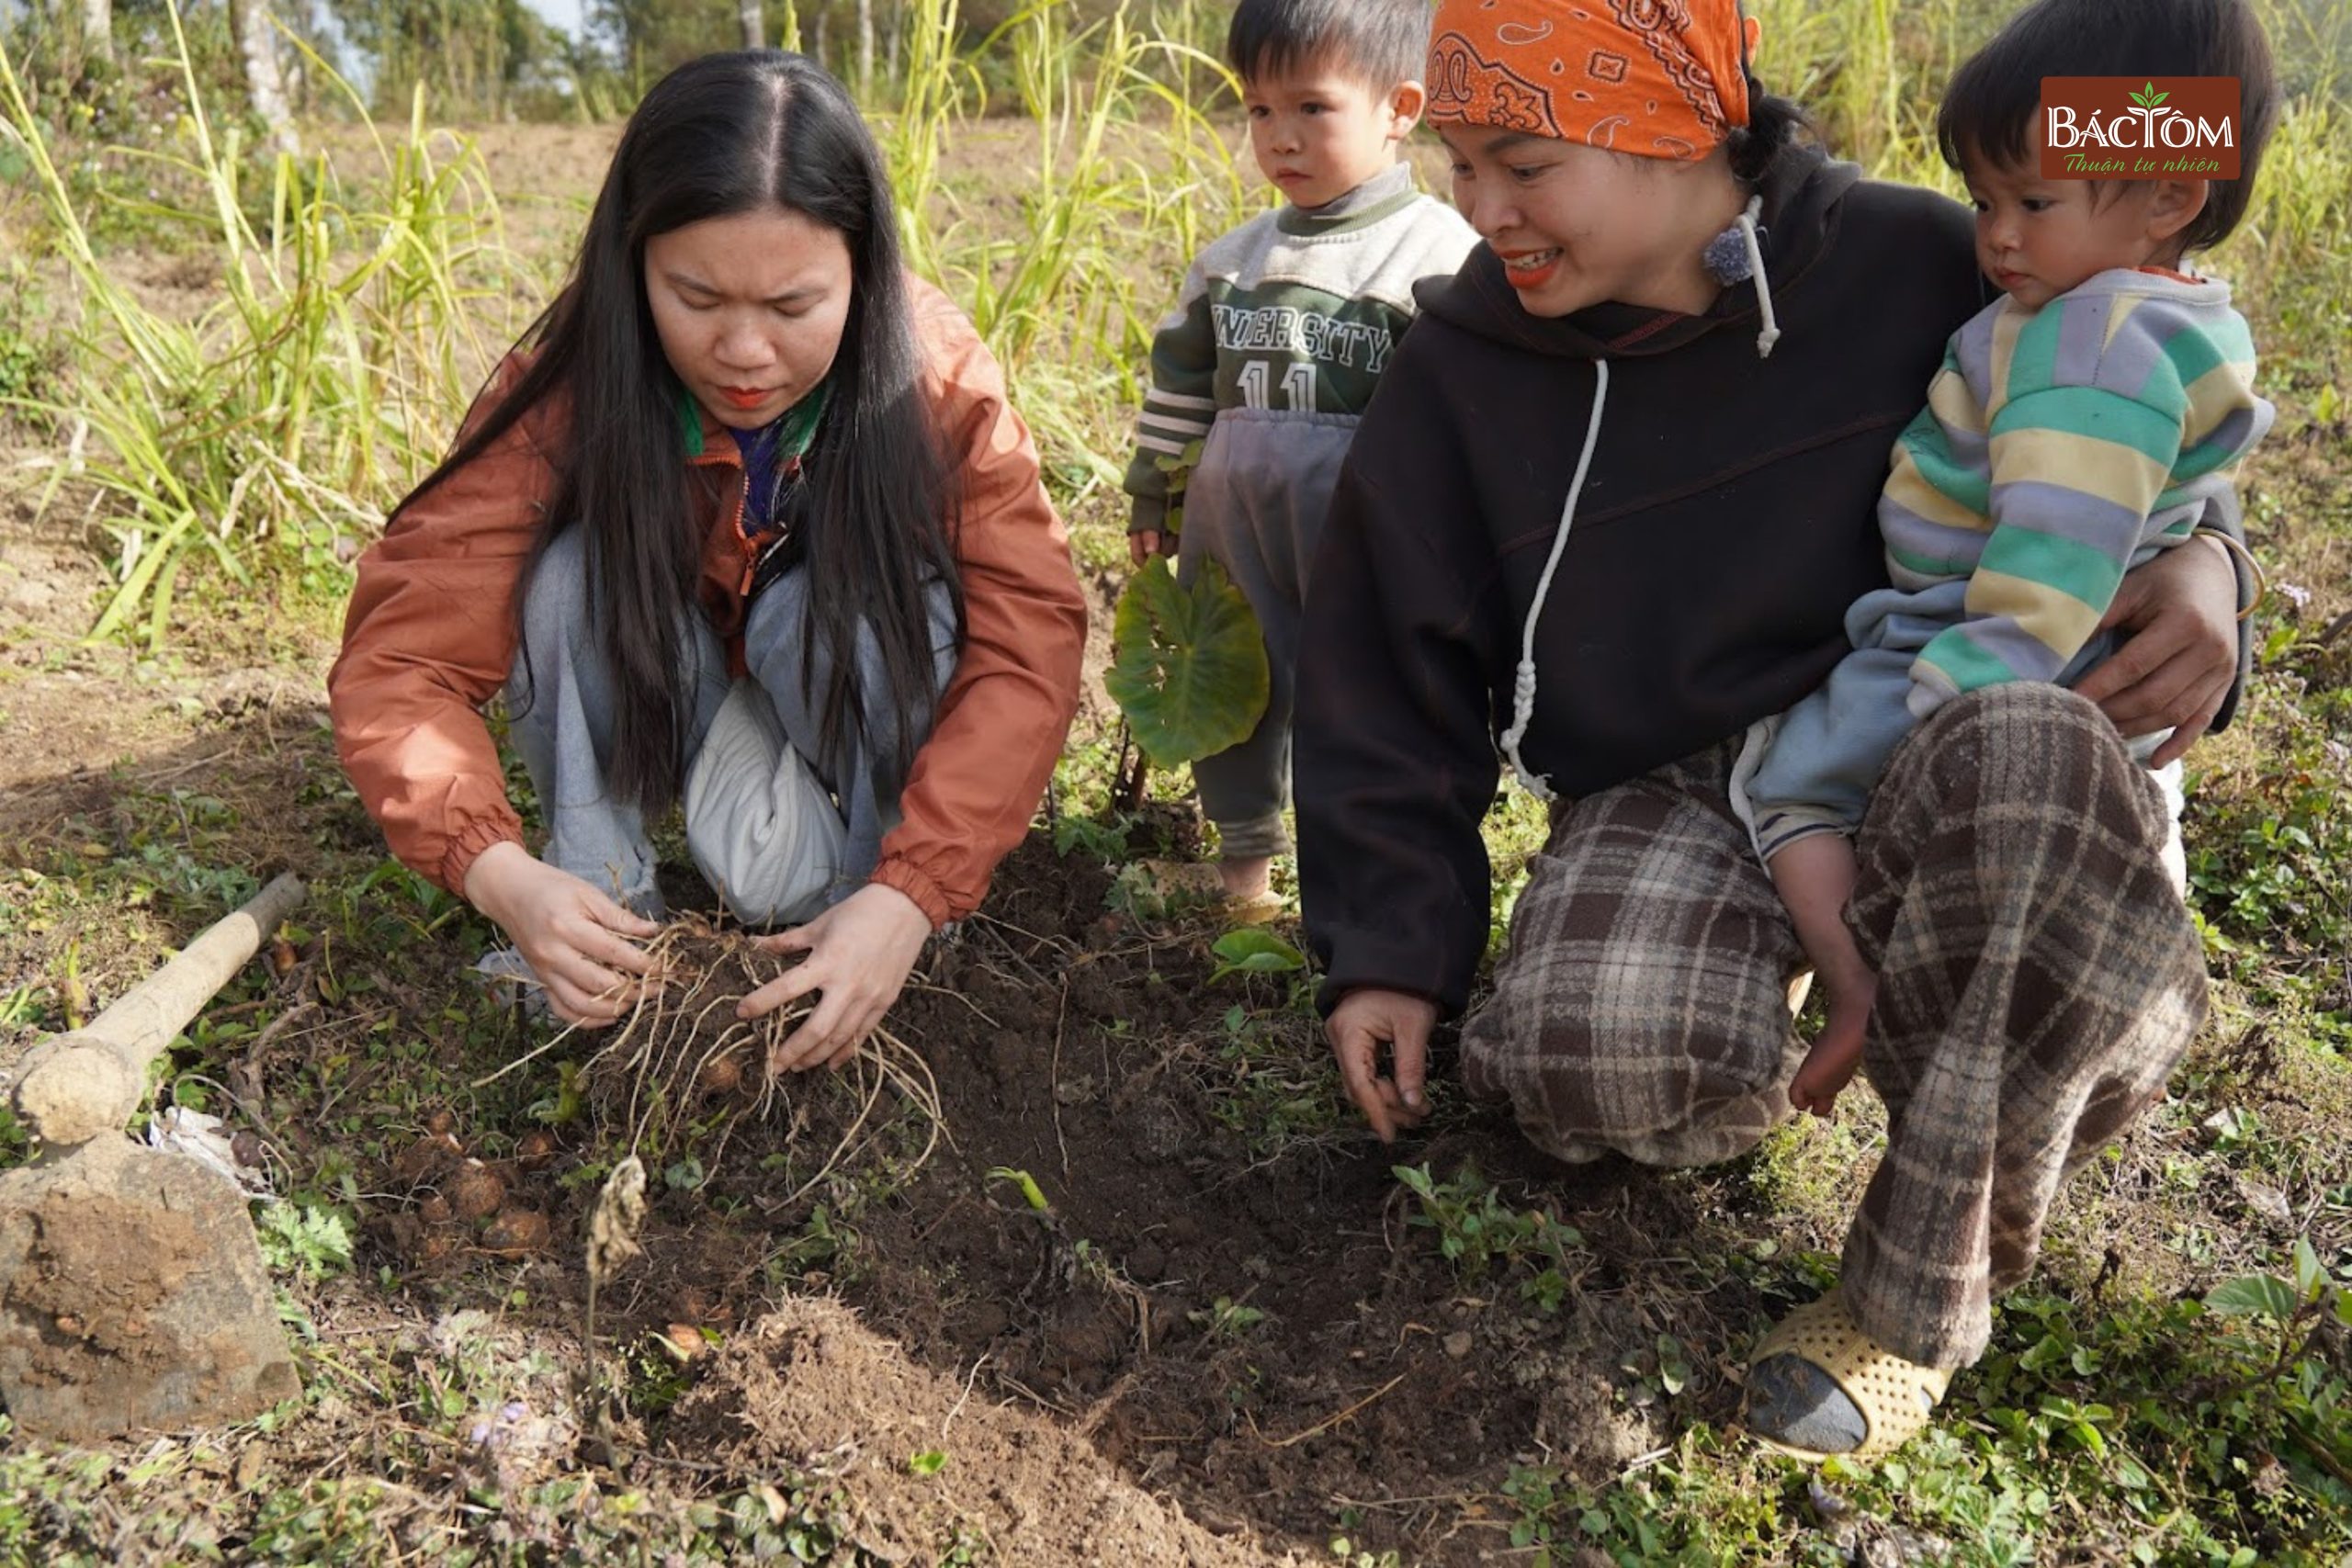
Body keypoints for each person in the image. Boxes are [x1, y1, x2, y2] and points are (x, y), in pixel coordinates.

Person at [1293, 0, 2262, 1461]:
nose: (1477, 209)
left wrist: (2216, 571)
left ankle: (1908, 1301)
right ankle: (1824, 993)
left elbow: (2132, 412)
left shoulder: (1927, 260)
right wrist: (1388, 944)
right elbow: (1383, 662)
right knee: (1592, 1056)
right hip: (1695, 779)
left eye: (1523, 162)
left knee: (2025, 755)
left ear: (1675, 126)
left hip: (1943, 737)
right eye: (1456, 160)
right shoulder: (1466, 367)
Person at [330, 51, 1088, 1068]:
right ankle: (596, 924)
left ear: (863, 273)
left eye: (790, 308)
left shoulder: (938, 387)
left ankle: (873, 930)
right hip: (675, 694)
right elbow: (405, 659)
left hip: (835, 724)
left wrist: (914, 893)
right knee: (565, 585)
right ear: (631, 261)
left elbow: (1027, 644)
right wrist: (496, 871)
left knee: (913, 609)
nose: (742, 352)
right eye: (694, 297)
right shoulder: (568, 384)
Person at [1752, 0, 2278, 1122]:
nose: (1992, 236)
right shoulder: (2158, 314)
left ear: (2171, 194)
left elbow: (2052, 561)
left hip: (1983, 639)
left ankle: (1852, 992)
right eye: (1985, 200)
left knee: (1788, 787)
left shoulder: (2084, 344)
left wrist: (1950, 709)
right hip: (2068, 653)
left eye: (2031, 201)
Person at [1122, 0, 1475, 908]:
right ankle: (1244, 875)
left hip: (1366, 536)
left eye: (1312, 108)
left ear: (1398, 110)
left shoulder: (1435, 256)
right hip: (1232, 526)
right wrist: (1153, 500)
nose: (1280, 137)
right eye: (1259, 110)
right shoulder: (1231, 261)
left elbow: (1469, 413)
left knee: (1362, 697)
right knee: (1235, 679)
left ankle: (1359, 881)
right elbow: (1181, 385)